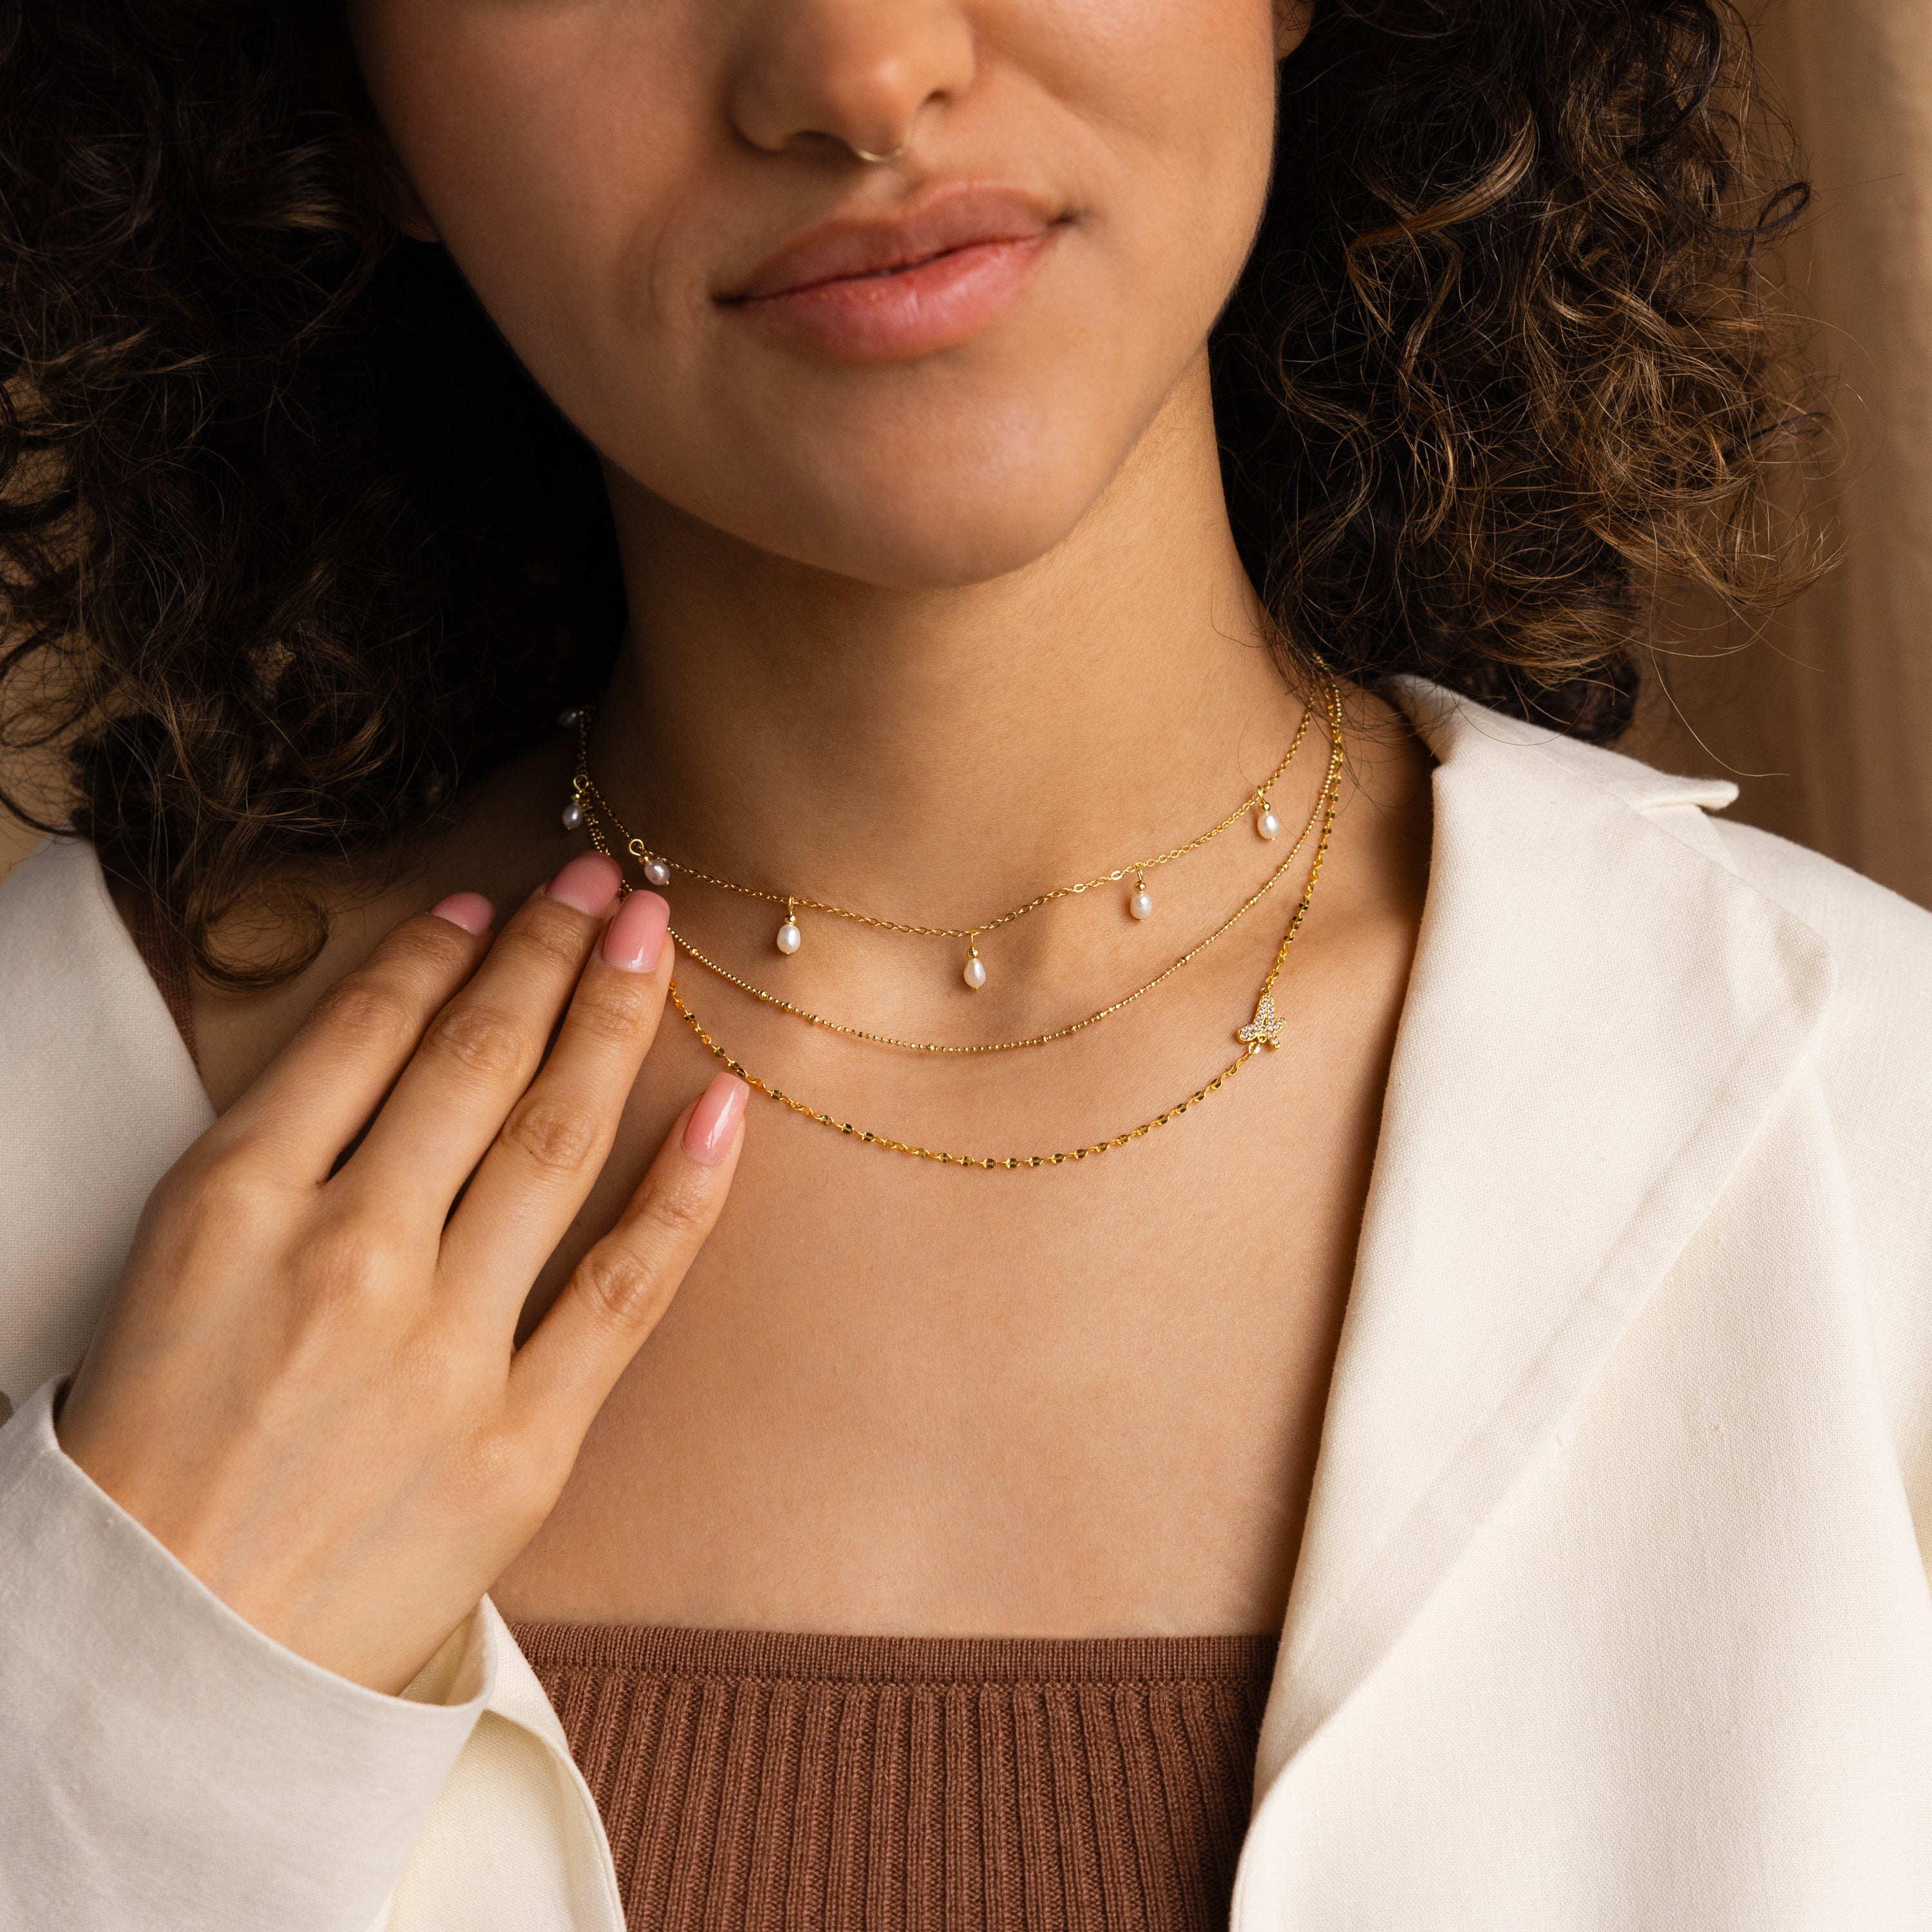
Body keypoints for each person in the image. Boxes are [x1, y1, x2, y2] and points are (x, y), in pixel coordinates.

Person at [2, 1, 1928, 1927]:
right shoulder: (45, 1125)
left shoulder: (1873, 1146)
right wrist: (137, 1746)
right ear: (347, 95)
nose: (860, 71)